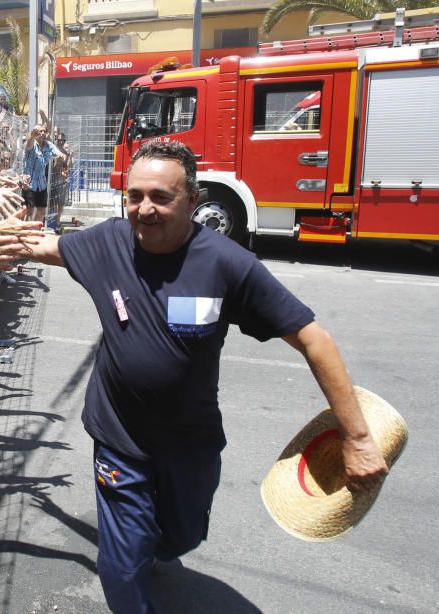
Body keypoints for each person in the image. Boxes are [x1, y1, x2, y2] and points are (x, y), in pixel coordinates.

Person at [21, 139, 388, 613]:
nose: (144, 209)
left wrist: (356, 437)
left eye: (161, 197)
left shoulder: (226, 263)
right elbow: (40, 244)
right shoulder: (107, 243)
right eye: (134, 196)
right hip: (119, 438)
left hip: (190, 442)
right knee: (123, 565)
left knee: (180, 538)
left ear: (193, 202)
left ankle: (158, 541)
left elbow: (313, 338)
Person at [22, 124, 65, 225]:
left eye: (43, 131)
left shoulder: (48, 145)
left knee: (41, 210)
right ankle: (26, 232)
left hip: (42, 184)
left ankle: (35, 232)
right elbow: (29, 145)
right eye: (39, 131)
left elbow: (58, 153)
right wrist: (32, 136)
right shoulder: (31, 143)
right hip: (29, 183)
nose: (41, 133)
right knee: (29, 211)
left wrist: (60, 156)